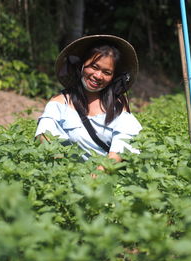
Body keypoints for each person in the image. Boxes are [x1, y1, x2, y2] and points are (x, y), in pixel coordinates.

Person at [35, 35, 142, 168]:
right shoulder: (60, 102)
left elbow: (123, 144)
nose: (98, 76)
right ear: (81, 65)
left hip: (107, 178)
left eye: (107, 72)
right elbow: (44, 134)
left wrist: (101, 171)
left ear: (114, 77)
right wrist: (62, 169)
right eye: (94, 67)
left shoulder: (118, 105)